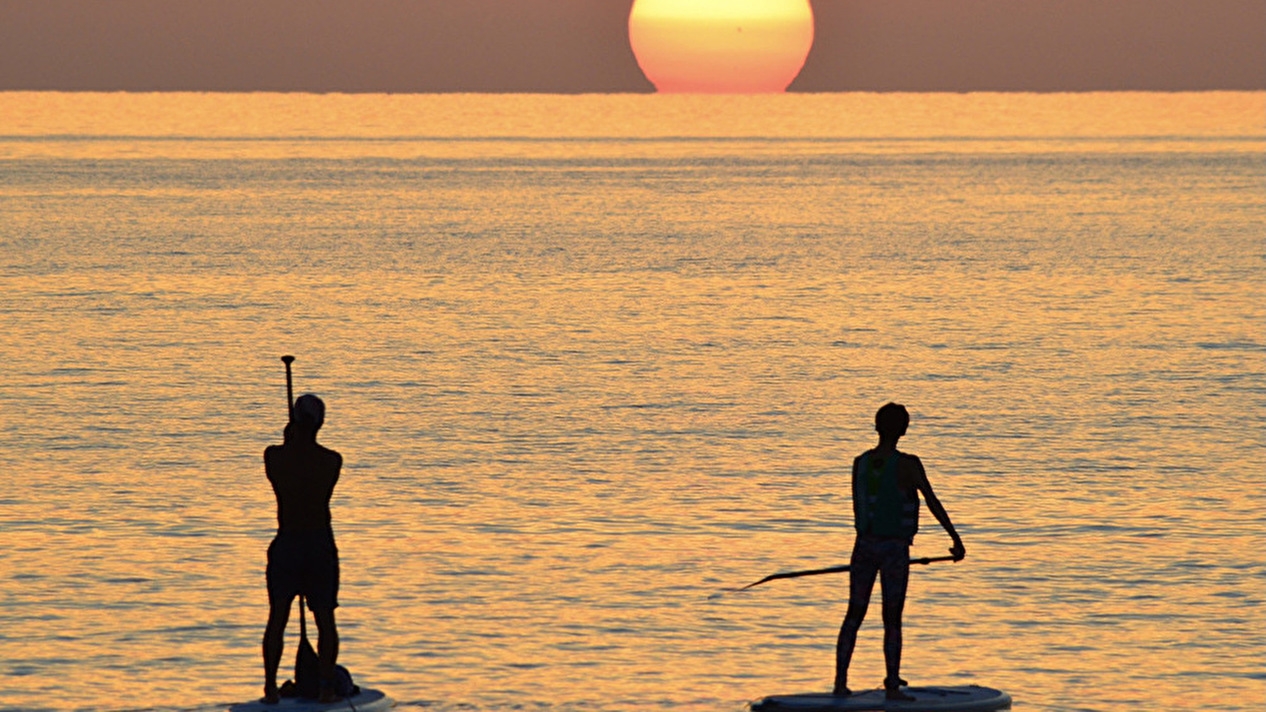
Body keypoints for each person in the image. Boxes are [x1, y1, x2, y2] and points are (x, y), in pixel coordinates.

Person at [834, 403, 965, 700]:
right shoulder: (908, 464)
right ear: (903, 430)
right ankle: (892, 685)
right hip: (893, 549)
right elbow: (932, 501)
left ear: (877, 427)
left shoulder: (861, 462)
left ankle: (840, 684)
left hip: (863, 547)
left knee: (854, 613)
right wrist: (955, 539)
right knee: (891, 617)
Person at [261, 394, 344, 704]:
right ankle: (325, 688)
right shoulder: (331, 460)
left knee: (277, 617)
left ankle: (270, 688)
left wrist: (288, 441)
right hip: (319, 544)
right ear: (320, 424)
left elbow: (279, 463)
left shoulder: (273, 457)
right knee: (325, 619)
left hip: (287, 544)